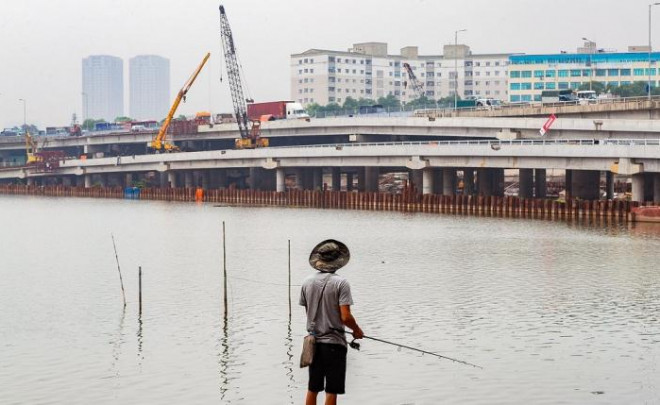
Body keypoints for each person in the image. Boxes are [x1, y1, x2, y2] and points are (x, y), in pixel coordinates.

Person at [300, 239, 364, 405]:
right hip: (334, 344)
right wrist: (357, 330)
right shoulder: (341, 283)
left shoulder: (307, 282)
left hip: (313, 342)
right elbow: (345, 317)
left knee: (312, 388)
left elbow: (309, 313)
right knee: (331, 391)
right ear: (338, 262)